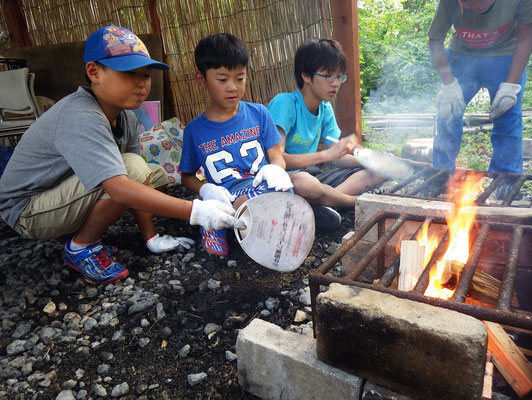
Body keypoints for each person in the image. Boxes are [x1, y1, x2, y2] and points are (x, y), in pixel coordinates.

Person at [0, 25, 245, 284]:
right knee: (133, 169)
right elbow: (121, 187)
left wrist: (151, 238)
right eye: (129, 73)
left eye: (146, 75)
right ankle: (80, 246)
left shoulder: (125, 117)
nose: (142, 84)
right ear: (94, 72)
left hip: (54, 192)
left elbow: (135, 182)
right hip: (25, 210)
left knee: (145, 171)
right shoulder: (81, 116)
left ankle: (74, 231)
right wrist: (197, 211)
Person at [179, 33, 293, 257]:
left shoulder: (259, 113)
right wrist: (206, 189)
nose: (233, 87)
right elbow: (186, 176)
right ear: (201, 79)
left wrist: (275, 168)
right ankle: (219, 224)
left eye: (240, 78)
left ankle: (236, 226)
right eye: (222, 80)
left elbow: (277, 156)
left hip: (262, 185)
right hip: (226, 197)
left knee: (293, 184)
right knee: (269, 206)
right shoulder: (194, 130)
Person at [267, 39, 383, 229]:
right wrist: (324, 155)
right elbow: (277, 160)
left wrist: (373, 160)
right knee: (305, 183)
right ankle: (353, 201)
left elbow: (338, 159)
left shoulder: (325, 108)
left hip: (312, 180)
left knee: (377, 172)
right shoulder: (285, 104)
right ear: (306, 76)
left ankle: (323, 204)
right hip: (283, 183)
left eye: (339, 77)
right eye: (329, 76)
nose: (335, 83)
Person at [428, 0, 532, 178]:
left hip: (505, 55)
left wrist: (511, 86)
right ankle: (441, 174)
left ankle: (505, 179)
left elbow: (526, 38)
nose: (475, 6)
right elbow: (435, 39)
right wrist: (448, 84)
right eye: (467, 2)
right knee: (448, 113)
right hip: (461, 55)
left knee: (508, 117)